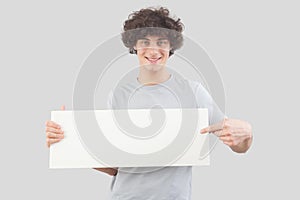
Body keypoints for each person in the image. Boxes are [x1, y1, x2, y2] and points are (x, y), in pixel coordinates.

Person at [45, 7, 253, 200]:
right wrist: (67, 143)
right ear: (134, 46)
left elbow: (238, 144)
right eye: (145, 41)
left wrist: (247, 134)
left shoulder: (193, 92)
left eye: (161, 42)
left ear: (171, 46)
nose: (153, 50)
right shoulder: (118, 95)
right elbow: (116, 167)